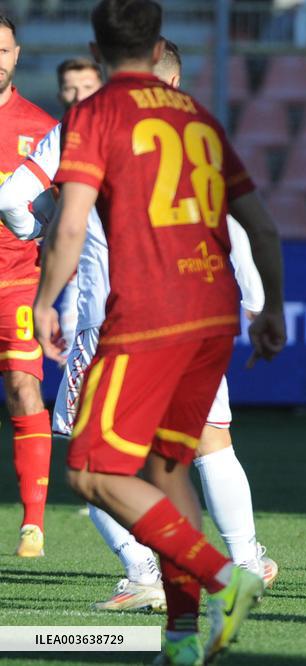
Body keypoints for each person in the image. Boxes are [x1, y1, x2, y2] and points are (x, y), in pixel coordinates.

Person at [32, 1, 286, 663]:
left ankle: (229, 578)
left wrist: (43, 300)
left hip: (150, 313)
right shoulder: (198, 117)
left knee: (90, 470)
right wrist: (274, 309)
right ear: (158, 46)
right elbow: (259, 224)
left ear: (98, 45)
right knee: (169, 472)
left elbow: (67, 224)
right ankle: (179, 635)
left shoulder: (97, 113)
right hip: (214, 315)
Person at [0, 13, 58, 559]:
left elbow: (69, 202)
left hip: (17, 280)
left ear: (17, 56)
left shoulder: (40, 127)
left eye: (4, 49)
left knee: (23, 386)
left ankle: (33, 524)